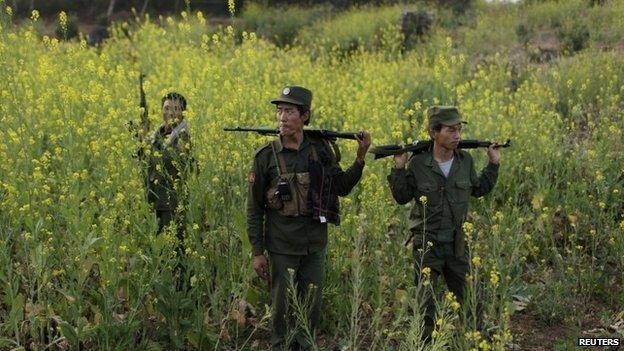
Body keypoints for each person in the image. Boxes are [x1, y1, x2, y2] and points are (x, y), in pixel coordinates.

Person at [246, 86, 371, 350]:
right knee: (279, 310)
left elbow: (341, 187)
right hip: (281, 247)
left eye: (289, 111)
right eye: (279, 111)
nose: (282, 117)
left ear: (305, 116)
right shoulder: (266, 157)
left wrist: (360, 159)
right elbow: (254, 209)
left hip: (315, 245)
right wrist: (258, 252)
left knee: (310, 309)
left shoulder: (320, 151)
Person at [387, 106, 501, 341]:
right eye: (450, 130)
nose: (457, 135)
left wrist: (493, 164)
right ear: (433, 132)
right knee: (425, 302)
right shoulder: (419, 163)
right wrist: (399, 168)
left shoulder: (465, 161)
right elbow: (402, 197)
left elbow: (479, 189)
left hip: (457, 243)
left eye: (459, 129)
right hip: (427, 244)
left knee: (470, 298)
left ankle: (475, 342)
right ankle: (423, 343)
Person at [144, 92, 194, 239]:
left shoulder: (185, 136)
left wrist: (148, 146)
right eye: (166, 108)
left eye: (176, 108)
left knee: (173, 247)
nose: (170, 113)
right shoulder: (156, 135)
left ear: (183, 113)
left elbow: (171, 160)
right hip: (153, 200)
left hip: (172, 205)